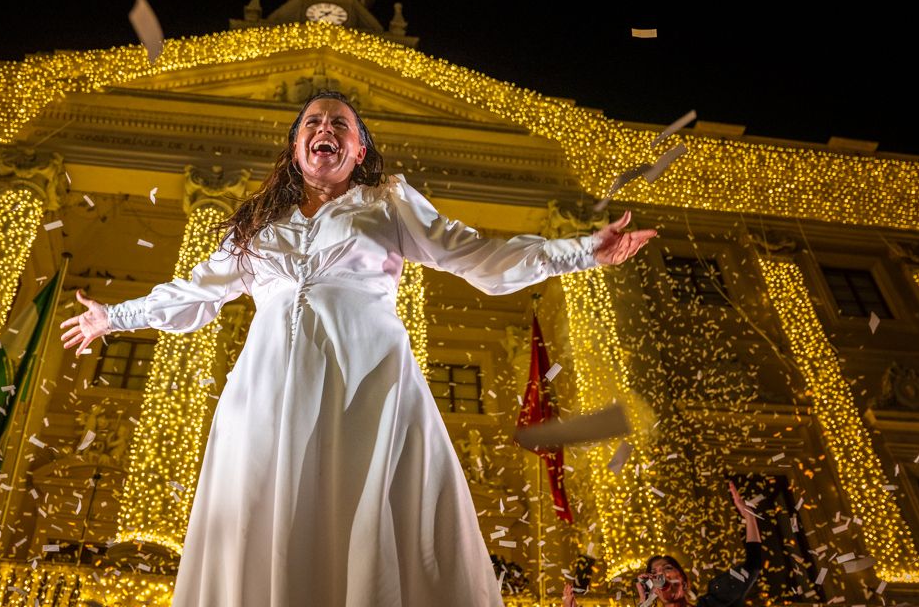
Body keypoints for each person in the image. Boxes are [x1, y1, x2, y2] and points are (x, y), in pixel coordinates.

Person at [61, 91, 656, 607]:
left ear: (360, 150)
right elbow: (196, 294)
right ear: (296, 148)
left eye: (339, 124)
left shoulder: (387, 201)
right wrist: (115, 316)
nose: (325, 129)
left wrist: (581, 251)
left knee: (369, 515)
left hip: (367, 382)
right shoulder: (255, 227)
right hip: (267, 394)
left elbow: (476, 258)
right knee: (269, 514)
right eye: (312, 124)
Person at [563, 482, 762, 607]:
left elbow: (753, 564)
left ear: (684, 581)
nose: (661, 574)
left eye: (667, 568)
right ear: (654, 590)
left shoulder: (714, 601)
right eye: (655, 572)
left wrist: (749, 518)